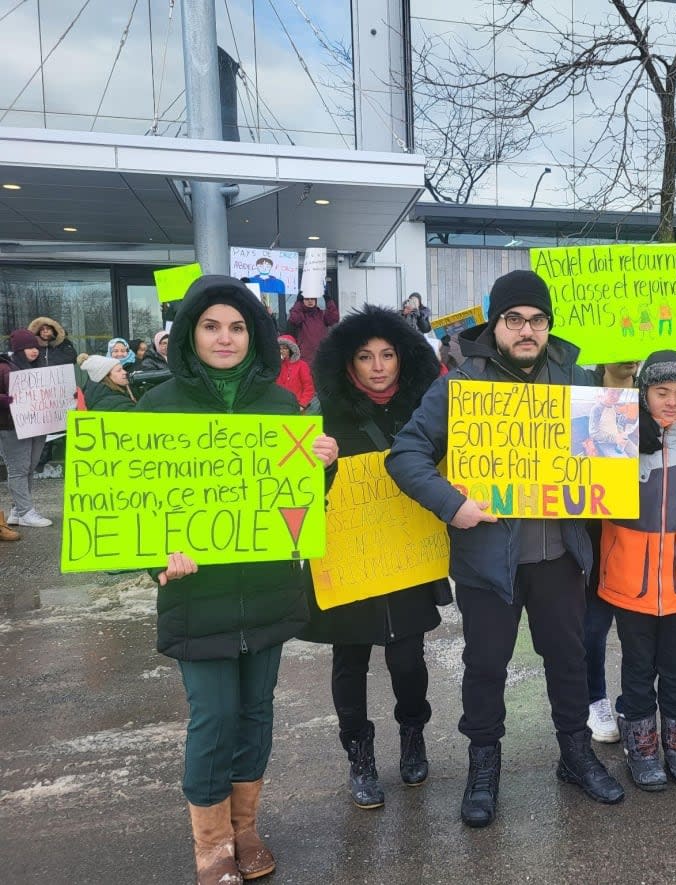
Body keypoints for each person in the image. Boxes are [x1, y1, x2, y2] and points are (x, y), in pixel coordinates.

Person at [388, 269, 624, 828]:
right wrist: (452, 504)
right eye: (513, 319)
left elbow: (617, 439)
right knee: (486, 665)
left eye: (536, 320)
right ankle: (483, 766)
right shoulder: (459, 386)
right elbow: (406, 456)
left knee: (568, 659)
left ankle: (575, 753)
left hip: (560, 557)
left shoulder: (576, 380)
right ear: (495, 325)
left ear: (548, 326)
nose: (526, 330)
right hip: (487, 559)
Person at [135, 275, 338, 885]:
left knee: (255, 713)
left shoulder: (280, 405)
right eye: (211, 325)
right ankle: (211, 845)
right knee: (213, 718)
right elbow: (131, 503)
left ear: (254, 337)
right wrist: (158, 556)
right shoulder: (159, 407)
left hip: (269, 589)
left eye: (238, 327)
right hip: (197, 596)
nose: (225, 338)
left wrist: (321, 469)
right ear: (190, 334)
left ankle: (246, 829)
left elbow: (298, 506)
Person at [304, 305, 448, 810]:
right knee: (350, 661)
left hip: (409, 558)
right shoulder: (321, 416)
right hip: (348, 562)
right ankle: (359, 755)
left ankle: (413, 735)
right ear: (349, 363)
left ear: (403, 358)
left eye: (387, 354)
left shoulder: (426, 410)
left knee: (408, 659)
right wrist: (315, 467)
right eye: (366, 356)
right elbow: (294, 494)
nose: (378, 365)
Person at [598, 351, 676, 791]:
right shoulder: (616, 436)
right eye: (661, 392)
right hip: (630, 577)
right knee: (638, 665)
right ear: (644, 393)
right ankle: (642, 750)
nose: (671, 402)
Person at [581, 360, 641, 744]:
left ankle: (633, 703)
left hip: (639, 530)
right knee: (592, 627)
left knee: (638, 630)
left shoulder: (652, 394)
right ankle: (595, 699)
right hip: (591, 528)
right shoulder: (584, 393)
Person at [0, 329, 53, 528]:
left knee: (29, 467)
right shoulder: (4, 368)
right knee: (18, 469)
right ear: (19, 349)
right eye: (30, 347)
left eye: (36, 347)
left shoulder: (38, 367)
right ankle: (26, 512)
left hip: (37, 424)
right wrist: (10, 399)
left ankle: (17, 510)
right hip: (11, 426)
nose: (35, 351)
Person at [287, 291, 339, 369]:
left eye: (312, 299)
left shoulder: (322, 315)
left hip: (321, 358)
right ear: (302, 301)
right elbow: (294, 319)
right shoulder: (300, 316)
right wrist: (298, 302)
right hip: (305, 359)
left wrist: (328, 300)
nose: (310, 301)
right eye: (307, 299)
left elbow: (334, 318)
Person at [276, 334, 315, 410]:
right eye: (279, 348)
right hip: (279, 406)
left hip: (296, 407)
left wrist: (302, 405)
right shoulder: (277, 365)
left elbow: (309, 387)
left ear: (291, 350)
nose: (281, 351)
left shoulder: (302, 365)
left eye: (285, 348)